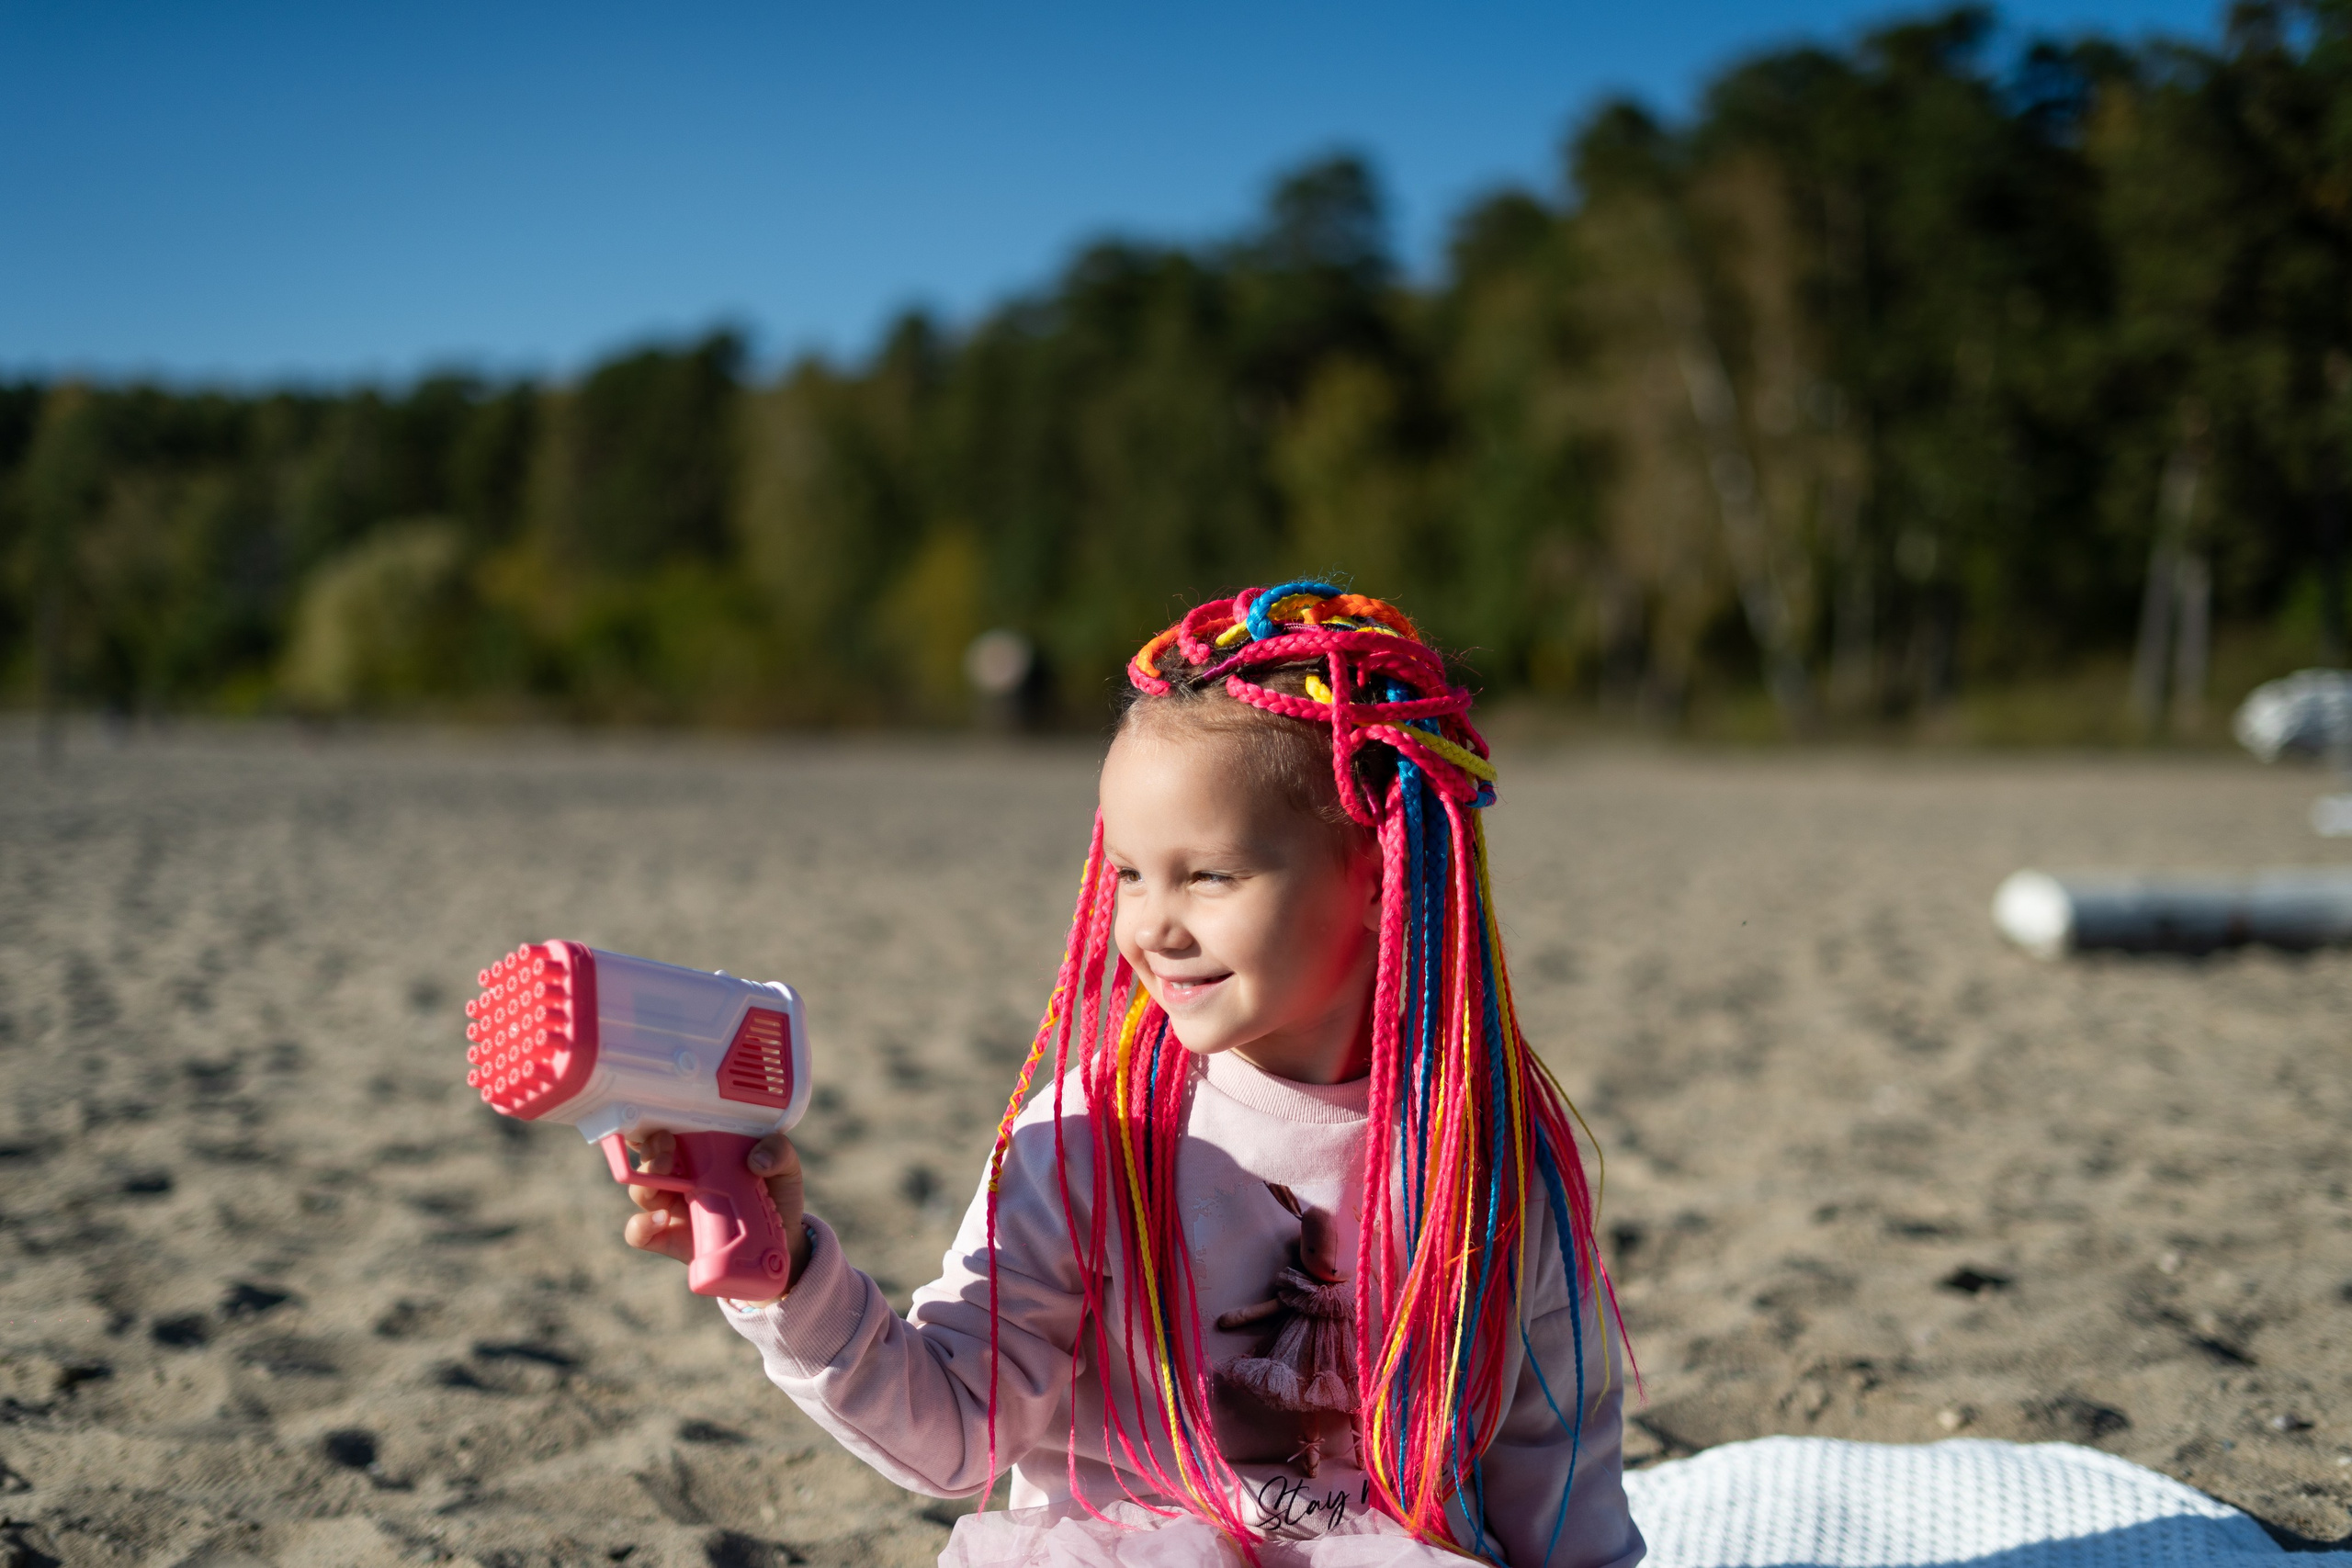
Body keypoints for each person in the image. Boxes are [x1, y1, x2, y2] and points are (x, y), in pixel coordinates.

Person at [621, 583, 1643, 1568]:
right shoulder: (1092, 1135)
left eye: (1210, 875)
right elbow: (953, 1430)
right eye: (1127, 873)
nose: (1153, 925)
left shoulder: (1483, 1153)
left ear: (1377, 875)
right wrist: (789, 1278)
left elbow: (1552, 1451)